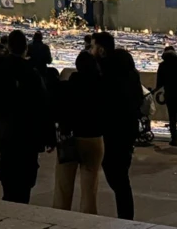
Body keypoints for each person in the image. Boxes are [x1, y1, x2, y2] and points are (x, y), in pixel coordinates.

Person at [0, 30, 52, 204]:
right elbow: (43, 105)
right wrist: (49, 136)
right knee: (24, 186)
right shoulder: (31, 73)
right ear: (25, 50)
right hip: (27, 134)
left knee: (8, 178)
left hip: (5, 133)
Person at [95, 31, 142, 220]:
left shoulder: (108, 74)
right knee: (121, 178)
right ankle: (126, 217)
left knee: (117, 178)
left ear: (101, 49)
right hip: (127, 130)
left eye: (92, 47)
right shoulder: (130, 75)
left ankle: (125, 218)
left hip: (113, 131)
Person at [52, 42, 104, 214]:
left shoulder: (68, 87)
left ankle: (59, 220)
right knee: (90, 187)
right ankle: (87, 222)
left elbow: (58, 111)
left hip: (70, 138)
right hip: (93, 137)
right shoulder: (101, 87)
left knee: (63, 186)